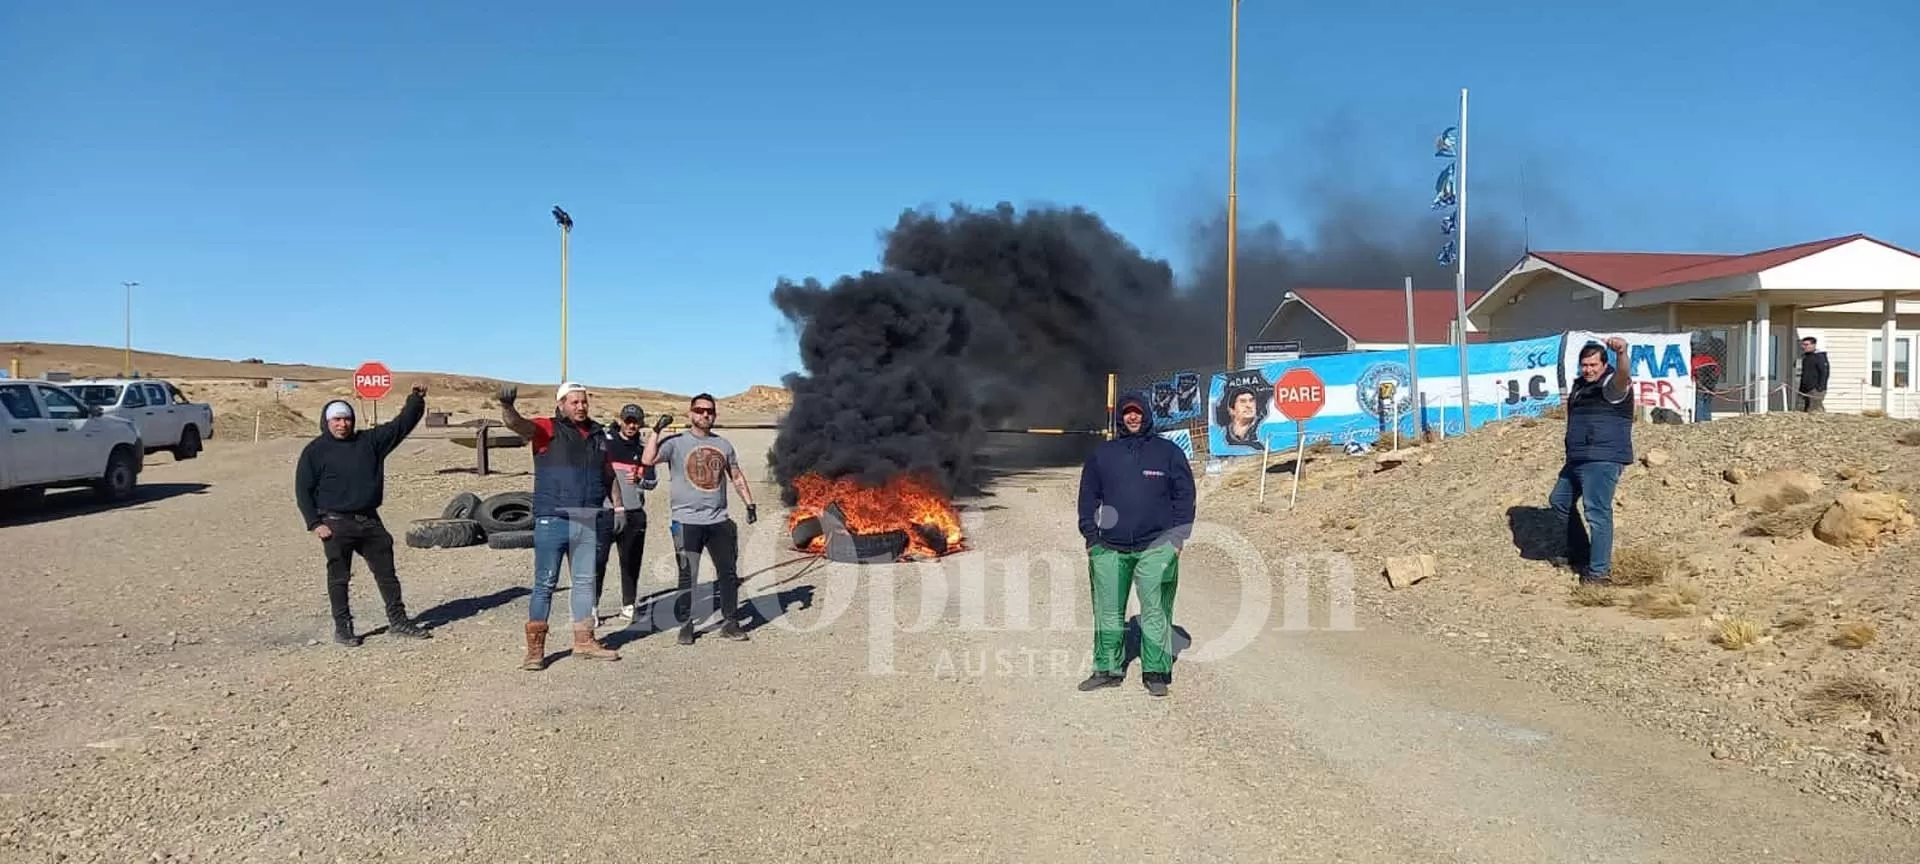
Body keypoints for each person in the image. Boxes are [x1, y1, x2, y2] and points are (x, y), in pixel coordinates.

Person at [1075, 392, 1196, 698]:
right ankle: (1107, 669)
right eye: (1127, 412)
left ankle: (1155, 671)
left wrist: (1177, 539)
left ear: (1147, 414)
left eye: (1137, 412)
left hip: (1157, 547)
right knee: (1108, 611)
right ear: (1120, 417)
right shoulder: (1103, 455)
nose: (1132, 417)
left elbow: (1184, 497)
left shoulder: (1168, 453)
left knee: (1155, 610)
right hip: (1108, 547)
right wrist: (1092, 538)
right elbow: (1088, 497)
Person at [497, 382, 624, 669]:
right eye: (574, 402)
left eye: (583, 402)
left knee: (584, 582)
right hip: (552, 517)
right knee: (545, 583)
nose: (580, 407)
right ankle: (535, 651)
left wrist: (617, 506)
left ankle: (583, 640)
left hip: (586, 518)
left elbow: (608, 473)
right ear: (561, 404)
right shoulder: (547, 429)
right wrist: (507, 407)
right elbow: (518, 425)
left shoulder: (597, 434)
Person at [293, 384, 432, 647]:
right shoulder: (315, 451)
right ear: (326, 421)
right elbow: (303, 489)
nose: (342, 424)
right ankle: (343, 628)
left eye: (346, 419)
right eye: (336, 419)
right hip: (334, 523)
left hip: (369, 520)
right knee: (339, 578)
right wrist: (314, 523)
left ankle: (399, 621)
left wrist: (416, 399)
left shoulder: (369, 442)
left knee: (387, 574)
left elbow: (401, 425)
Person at [641, 392, 758, 645]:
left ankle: (730, 621)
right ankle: (686, 624)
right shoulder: (675, 443)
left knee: (727, 573)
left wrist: (749, 503)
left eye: (710, 411)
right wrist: (656, 431)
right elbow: (647, 459)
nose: (705, 415)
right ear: (690, 413)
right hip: (686, 521)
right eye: (700, 410)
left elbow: (736, 476)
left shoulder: (724, 445)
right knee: (687, 574)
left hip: (719, 520)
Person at [1552, 337, 1633, 585]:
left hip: (1602, 458)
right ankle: (1582, 553)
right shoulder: (1580, 386)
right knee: (1559, 501)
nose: (1588, 369)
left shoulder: (1612, 384)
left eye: (1593, 365)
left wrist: (1622, 353)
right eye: (1584, 365)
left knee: (1597, 513)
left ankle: (1599, 573)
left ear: (1603, 364)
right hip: (1578, 457)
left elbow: (1623, 375)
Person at [594, 403, 660, 622]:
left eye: (636, 422)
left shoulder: (644, 449)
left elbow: (652, 482)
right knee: (597, 561)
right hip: (605, 512)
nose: (631, 425)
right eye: (628, 420)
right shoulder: (605, 443)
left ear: (640, 423)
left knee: (631, 562)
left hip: (634, 512)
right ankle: (592, 607)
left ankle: (629, 604)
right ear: (620, 420)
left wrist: (641, 479)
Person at [1797, 336, 1829, 412]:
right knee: (1804, 410)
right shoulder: (1806, 357)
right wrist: (1801, 389)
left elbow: (1824, 373)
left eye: (1806, 344)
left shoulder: (1820, 357)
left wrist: (1820, 388)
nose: (1803, 347)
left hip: (1815, 390)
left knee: (1815, 410)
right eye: (1803, 345)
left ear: (1813, 345)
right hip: (1805, 389)